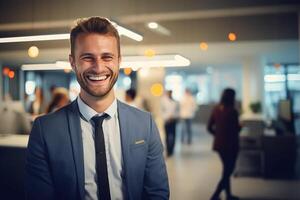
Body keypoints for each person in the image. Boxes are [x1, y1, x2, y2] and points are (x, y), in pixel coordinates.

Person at [25, 17, 169, 200]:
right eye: (87, 58)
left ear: (119, 61)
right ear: (72, 62)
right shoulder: (45, 130)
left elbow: (157, 194)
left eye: (107, 57)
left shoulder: (144, 124)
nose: (99, 67)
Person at [207, 88, 241, 200]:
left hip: (220, 145)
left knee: (226, 169)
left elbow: (209, 127)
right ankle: (215, 195)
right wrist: (241, 126)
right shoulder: (233, 111)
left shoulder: (216, 109)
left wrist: (218, 135)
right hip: (231, 146)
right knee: (228, 171)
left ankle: (228, 195)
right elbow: (236, 129)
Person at [161, 90, 179, 157]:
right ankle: (168, 150)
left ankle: (172, 150)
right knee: (167, 136)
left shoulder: (176, 102)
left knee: (173, 136)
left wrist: (174, 117)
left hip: (173, 120)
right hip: (166, 121)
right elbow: (162, 111)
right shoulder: (163, 101)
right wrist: (166, 117)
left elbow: (177, 111)